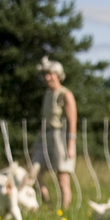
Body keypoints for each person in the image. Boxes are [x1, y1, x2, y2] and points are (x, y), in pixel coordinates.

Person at [32, 56, 77, 210]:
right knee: (34, 174)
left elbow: (72, 121)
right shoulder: (47, 94)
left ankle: (64, 211)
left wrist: (70, 144)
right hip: (45, 136)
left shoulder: (65, 94)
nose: (47, 77)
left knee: (62, 177)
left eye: (50, 74)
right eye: (45, 74)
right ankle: (48, 204)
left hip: (61, 137)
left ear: (58, 75)